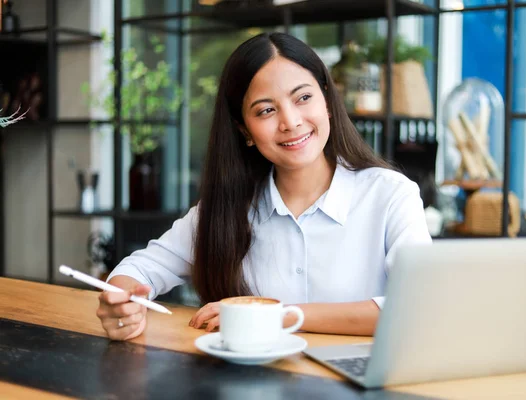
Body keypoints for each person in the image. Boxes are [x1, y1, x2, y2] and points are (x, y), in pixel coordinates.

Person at [96, 32, 432, 341]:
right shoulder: (225, 210)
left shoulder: (390, 195)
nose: (291, 121)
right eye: (266, 110)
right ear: (244, 130)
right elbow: (137, 270)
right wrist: (122, 303)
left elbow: (419, 307)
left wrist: (277, 316)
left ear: (327, 101)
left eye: (303, 98)